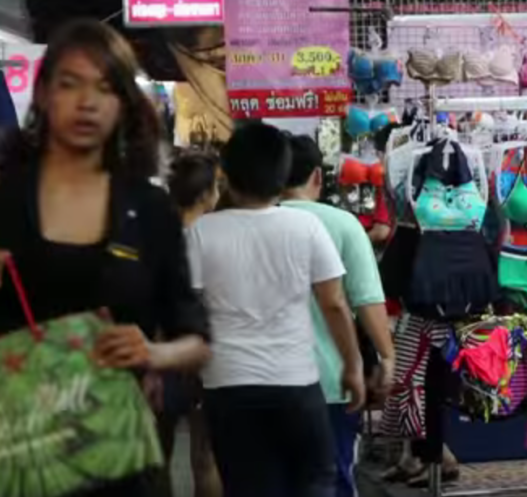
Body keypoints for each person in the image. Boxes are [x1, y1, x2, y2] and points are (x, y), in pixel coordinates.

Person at [0, 20, 212, 497]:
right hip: (3, 450)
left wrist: (153, 353)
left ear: (122, 106)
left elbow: (196, 338)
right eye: (70, 83)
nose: (87, 101)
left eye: (105, 87)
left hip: (112, 452)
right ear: (44, 93)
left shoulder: (149, 210)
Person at [186, 122, 365, 497]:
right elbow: (333, 303)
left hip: (228, 386)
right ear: (283, 174)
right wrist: (353, 365)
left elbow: (188, 308)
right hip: (296, 383)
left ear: (227, 175)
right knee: (315, 483)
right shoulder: (306, 226)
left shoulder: (202, 233)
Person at [280, 135, 396, 497]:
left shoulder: (249, 224)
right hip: (332, 381)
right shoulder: (343, 224)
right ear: (318, 176)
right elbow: (367, 300)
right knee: (331, 480)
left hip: (260, 380)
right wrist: (387, 357)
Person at [154, 151, 223, 497]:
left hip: (159, 356)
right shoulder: (215, 236)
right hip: (203, 357)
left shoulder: (154, 237)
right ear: (205, 194)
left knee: (158, 456)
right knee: (206, 456)